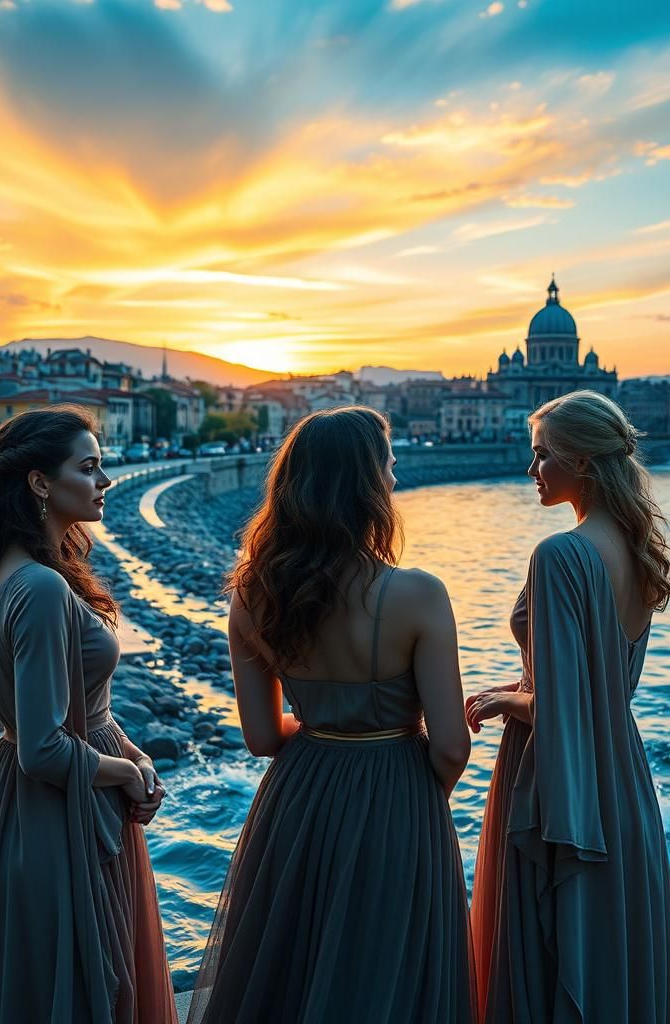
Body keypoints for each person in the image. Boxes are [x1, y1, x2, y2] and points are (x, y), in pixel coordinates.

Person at [188, 406, 475, 1024]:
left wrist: (325, 731)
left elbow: (262, 736)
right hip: (398, 793)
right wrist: (416, 794)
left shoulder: (250, 594)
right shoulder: (418, 593)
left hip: (299, 798)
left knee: (291, 972)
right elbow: (451, 746)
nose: (396, 479)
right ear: (367, 485)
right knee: (390, 979)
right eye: (390, 467)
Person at [0, 405, 178, 1024]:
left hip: (39, 801)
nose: (105, 480)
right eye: (89, 467)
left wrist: (133, 755)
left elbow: (71, 718)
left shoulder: (22, 572)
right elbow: (44, 748)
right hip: (55, 813)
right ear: (40, 482)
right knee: (83, 988)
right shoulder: (40, 588)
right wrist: (122, 775)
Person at [467, 390, 670, 1023]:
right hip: (623, 778)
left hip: (561, 783)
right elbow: (604, 692)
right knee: (611, 941)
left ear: (584, 463)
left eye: (542, 456)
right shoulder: (637, 549)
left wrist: (502, 698)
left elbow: (561, 709)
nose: (531, 470)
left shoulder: (561, 554)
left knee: (548, 945)